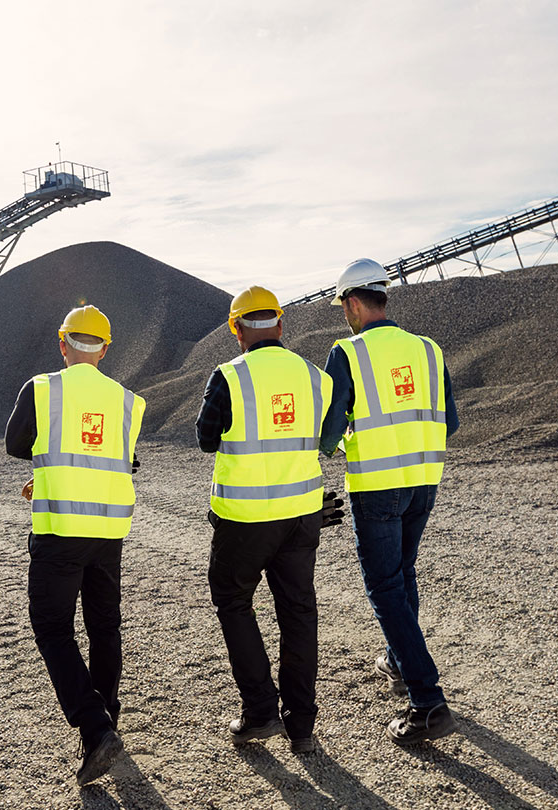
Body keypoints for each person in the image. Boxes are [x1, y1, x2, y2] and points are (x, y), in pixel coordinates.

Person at [3, 304, 146, 786]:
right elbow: (122, 458)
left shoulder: (42, 389)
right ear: (105, 350)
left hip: (61, 528)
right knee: (104, 627)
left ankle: (95, 727)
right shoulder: (127, 401)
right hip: (108, 532)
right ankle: (104, 726)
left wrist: (50, 467)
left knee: (52, 628)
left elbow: (16, 444)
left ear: (63, 345)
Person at [193, 286, 340, 755]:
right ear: (280, 324)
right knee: (298, 611)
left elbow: (206, 439)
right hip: (302, 513)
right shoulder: (315, 377)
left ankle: (260, 711)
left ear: (236, 329)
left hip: (245, 517)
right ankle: (302, 726)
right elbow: (327, 437)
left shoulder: (229, 376)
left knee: (233, 601)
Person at [320, 259, 462, 743]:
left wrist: (341, 443)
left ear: (353, 303)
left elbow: (329, 432)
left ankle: (427, 700)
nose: (345, 315)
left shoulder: (347, 352)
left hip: (378, 485)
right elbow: (450, 422)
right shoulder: (427, 349)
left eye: (343, 307)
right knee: (402, 574)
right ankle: (399, 662)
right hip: (424, 480)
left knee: (384, 587)